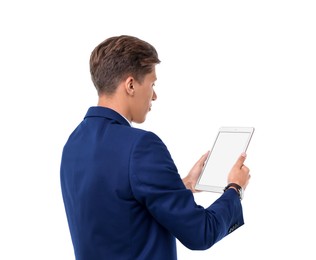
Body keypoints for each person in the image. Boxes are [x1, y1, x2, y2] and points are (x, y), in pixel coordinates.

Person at [60, 35, 251, 260]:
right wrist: (234, 189)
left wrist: (185, 185)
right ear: (131, 85)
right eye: (152, 83)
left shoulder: (73, 143)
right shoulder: (141, 146)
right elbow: (200, 233)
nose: (155, 95)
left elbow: (119, 207)